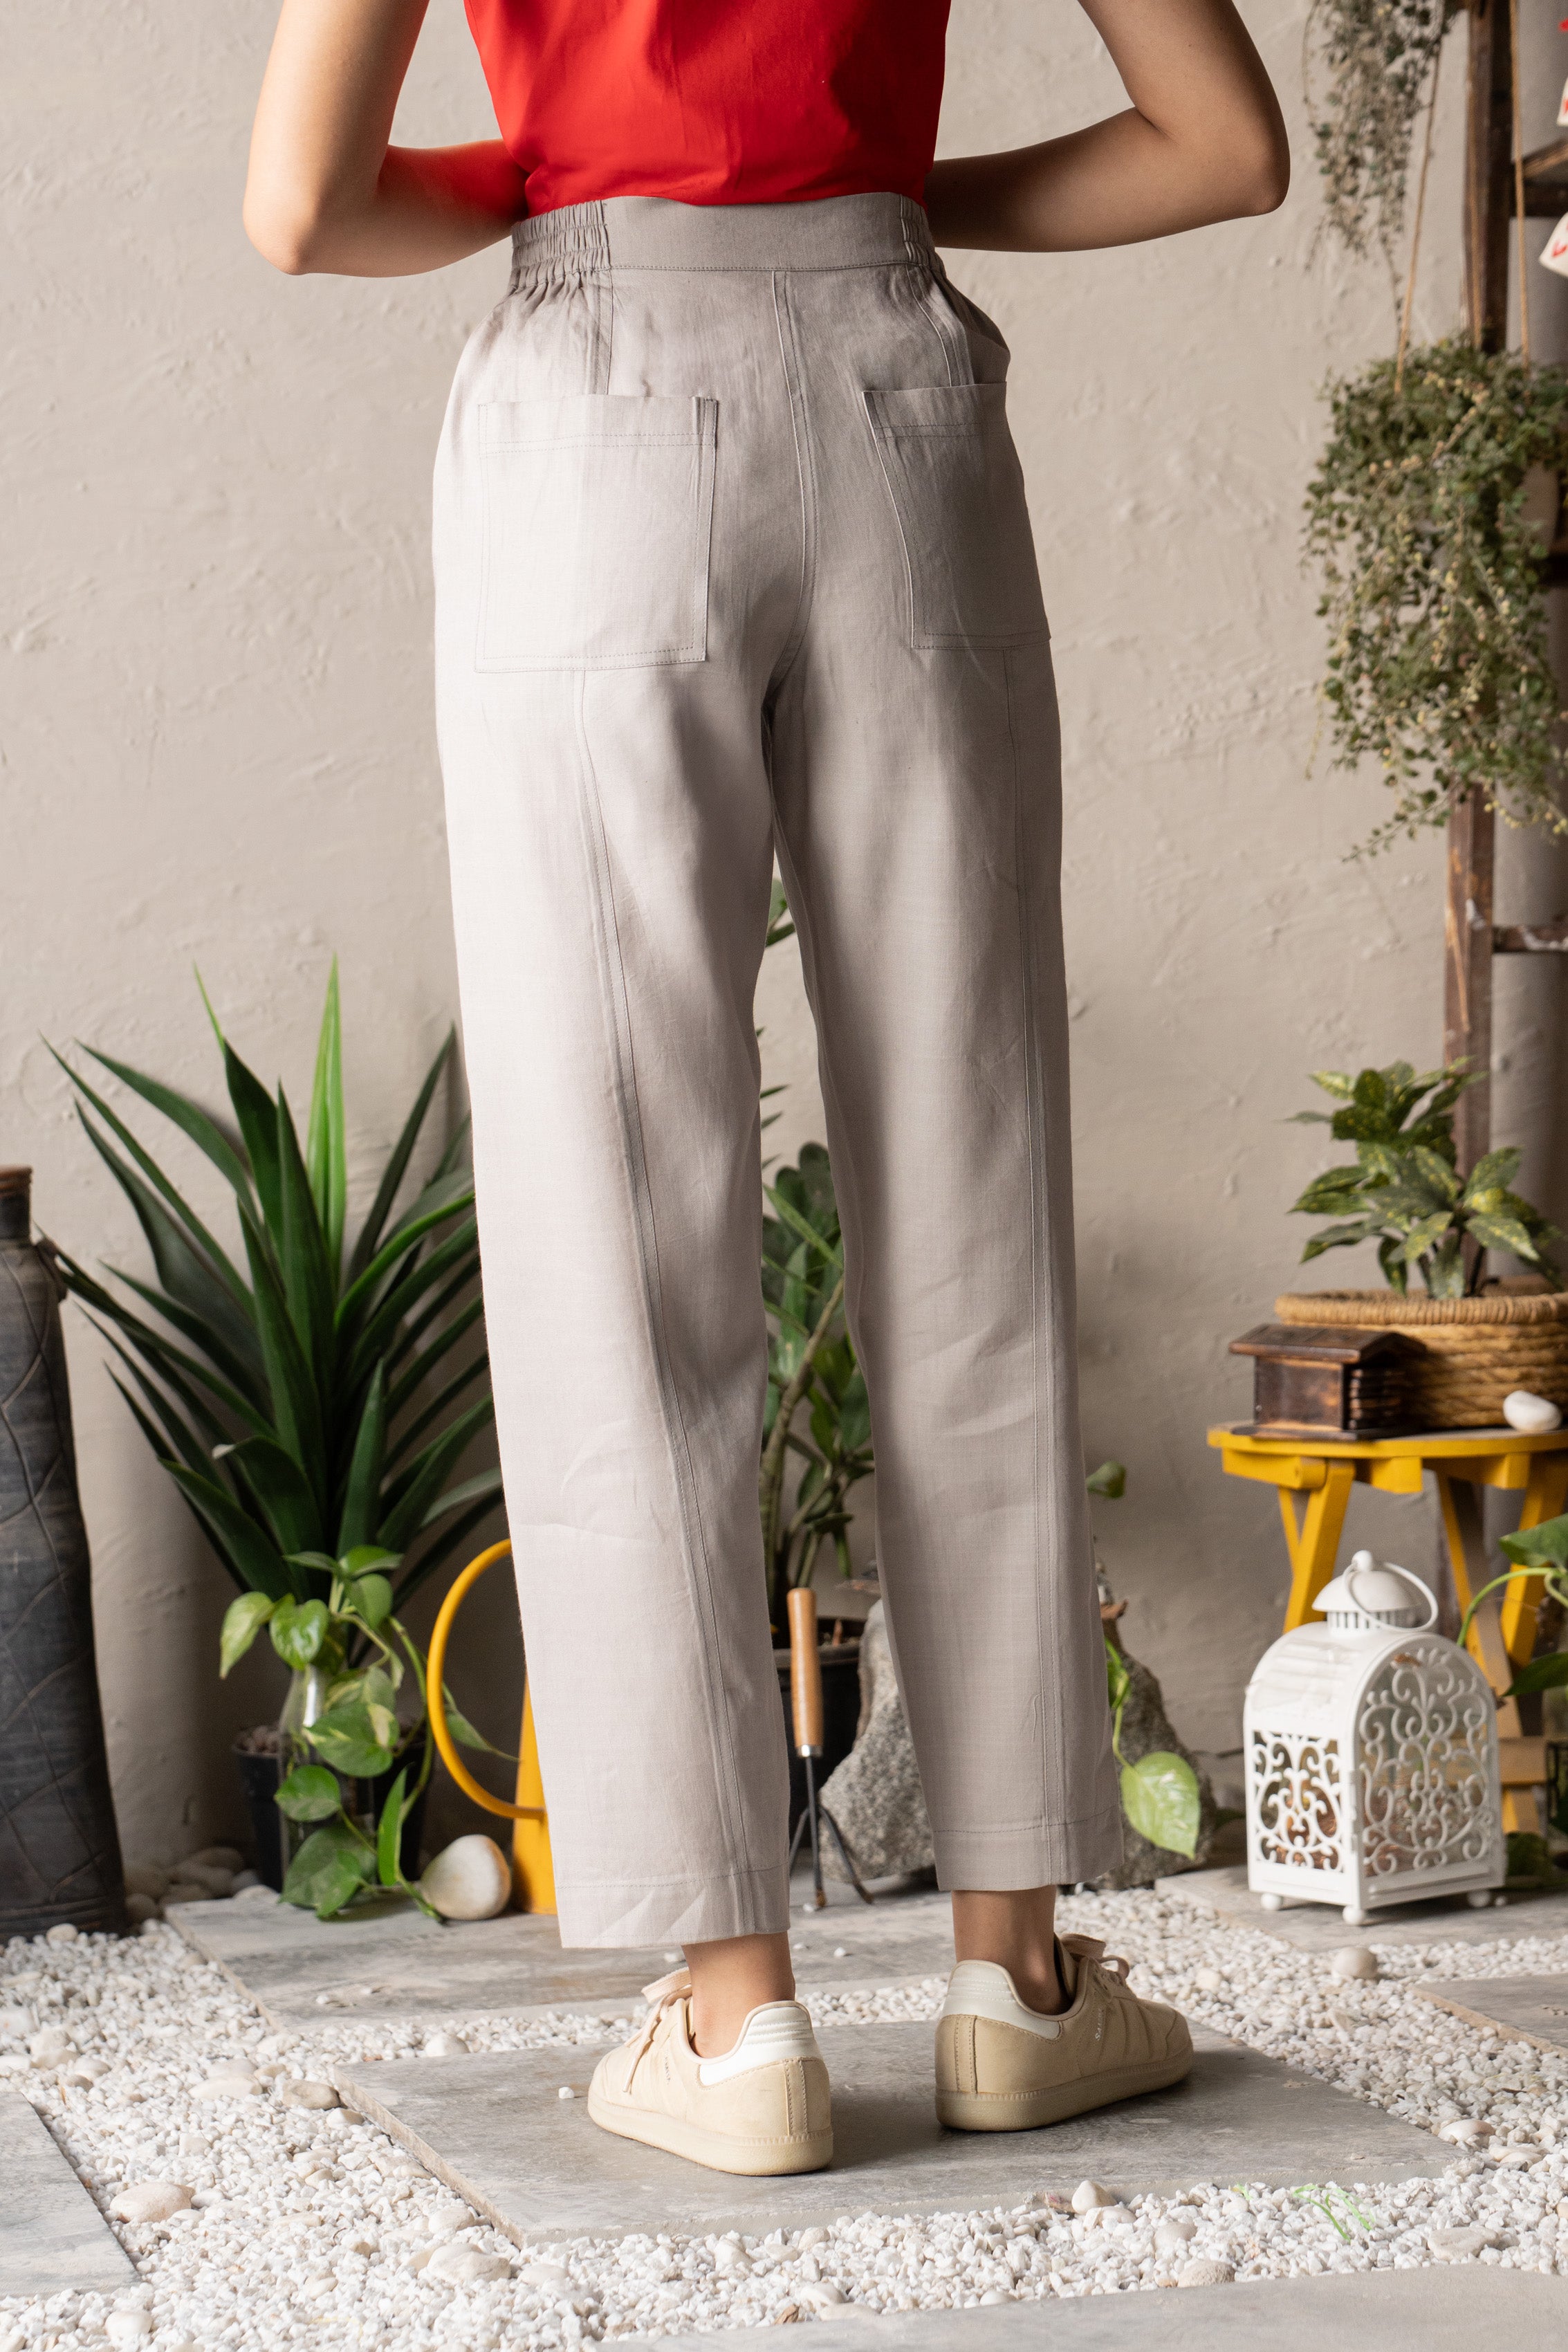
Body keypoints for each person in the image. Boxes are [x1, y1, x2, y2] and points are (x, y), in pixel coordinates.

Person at [246, 0, 1287, 2178]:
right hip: (898, 403)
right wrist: (868, 202)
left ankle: (738, 2029)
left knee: (615, 1209)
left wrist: (562, 188)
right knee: (974, 1167)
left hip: (598, 418)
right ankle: (1014, 1983)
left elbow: (304, 211)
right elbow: (1218, 149)